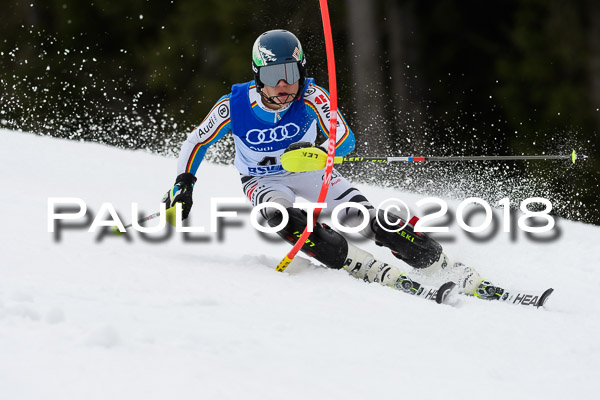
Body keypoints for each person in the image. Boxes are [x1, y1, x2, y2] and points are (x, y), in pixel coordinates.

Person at [162, 29, 499, 300]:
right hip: (263, 180)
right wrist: (185, 182)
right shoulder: (233, 105)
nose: (284, 85)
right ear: (258, 75)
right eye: (273, 75)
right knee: (279, 216)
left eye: (291, 73)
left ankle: (438, 263)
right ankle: (352, 260)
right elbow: (196, 141)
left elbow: (346, 139)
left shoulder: (311, 96)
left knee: (372, 220)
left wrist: (320, 149)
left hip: (311, 170)